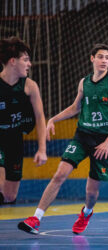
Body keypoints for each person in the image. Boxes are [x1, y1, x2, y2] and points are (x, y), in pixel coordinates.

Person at [18, 43, 108, 235]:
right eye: (100, 57)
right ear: (92, 58)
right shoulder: (84, 82)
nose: (104, 61)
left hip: (104, 141)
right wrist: (53, 118)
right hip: (83, 135)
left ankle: (86, 212)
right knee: (59, 174)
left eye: (107, 57)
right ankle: (36, 218)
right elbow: (75, 107)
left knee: (91, 191)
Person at [0, 37, 47, 205]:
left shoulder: (30, 86)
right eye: (25, 60)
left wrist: (42, 149)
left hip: (15, 140)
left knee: (9, 196)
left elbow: (40, 118)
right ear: (13, 61)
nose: (30, 64)